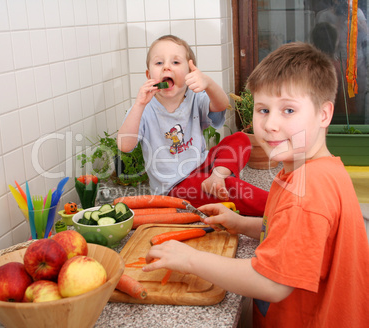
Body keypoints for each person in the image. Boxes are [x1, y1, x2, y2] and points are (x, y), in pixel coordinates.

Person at [143, 42, 369, 327]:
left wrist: (189, 259)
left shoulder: (308, 192)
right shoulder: (302, 172)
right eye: (263, 110)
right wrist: (241, 224)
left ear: (324, 114)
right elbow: (286, 230)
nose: (271, 124)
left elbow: (272, 283)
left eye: (288, 110)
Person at [118, 35, 269, 216]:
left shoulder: (195, 98)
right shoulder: (143, 109)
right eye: (159, 63)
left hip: (204, 165)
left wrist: (209, 83)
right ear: (149, 76)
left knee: (241, 139)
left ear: (190, 73)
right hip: (176, 187)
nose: (166, 66)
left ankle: (218, 176)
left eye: (175, 62)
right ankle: (278, 206)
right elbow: (125, 146)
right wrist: (139, 105)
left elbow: (221, 105)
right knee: (233, 189)